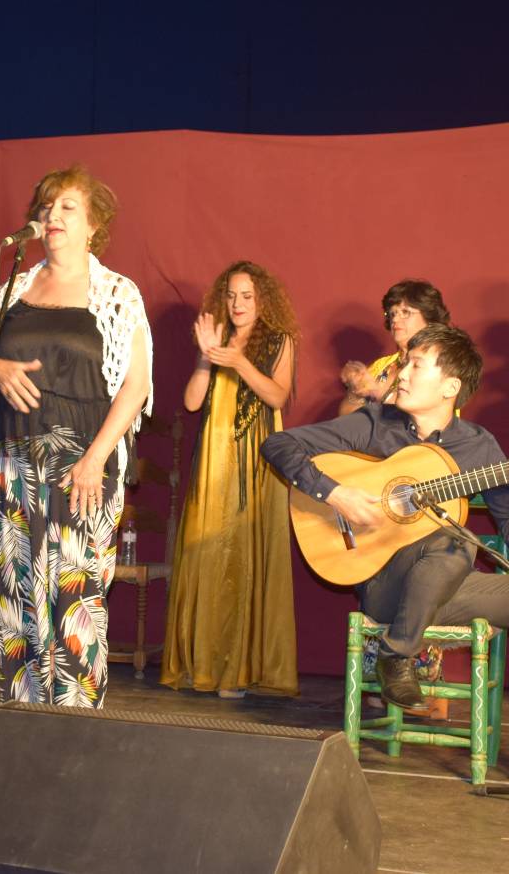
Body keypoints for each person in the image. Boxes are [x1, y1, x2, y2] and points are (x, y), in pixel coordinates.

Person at [261, 324, 509, 798]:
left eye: (415, 365)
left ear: (450, 387)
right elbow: (278, 445)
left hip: (445, 584)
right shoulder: (374, 422)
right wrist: (335, 493)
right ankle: (397, 653)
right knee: (457, 542)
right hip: (385, 585)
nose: (401, 373)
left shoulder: (478, 447)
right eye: (405, 363)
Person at [0, 166, 152, 707]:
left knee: (74, 596)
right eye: (46, 208)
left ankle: (75, 726)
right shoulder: (14, 288)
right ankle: (23, 719)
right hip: (12, 460)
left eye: (68, 207)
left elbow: (136, 386)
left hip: (81, 464)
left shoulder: (116, 292)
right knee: (17, 596)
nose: (53, 217)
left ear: (94, 225)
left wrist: (96, 458)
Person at [161, 261, 299, 699]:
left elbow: (277, 396)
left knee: (245, 556)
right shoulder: (216, 339)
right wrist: (207, 356)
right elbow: (191, 401)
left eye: (247, 296)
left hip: (256, 462)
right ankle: (203, 664)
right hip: (213, 459)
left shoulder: (279, 340)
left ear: (262, 300)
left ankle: (238, 671)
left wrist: (239, 361)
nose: (238, 303)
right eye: (231, 295)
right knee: (204, 554)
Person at [339, 279, 452, 416]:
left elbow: (425, 418)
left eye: (405, 312)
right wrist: (357, 392)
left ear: (429, 319)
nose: (395, 319)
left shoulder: (442, 363)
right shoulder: (381, 366)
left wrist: (376, 393)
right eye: (392, 314)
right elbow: (345, 418)